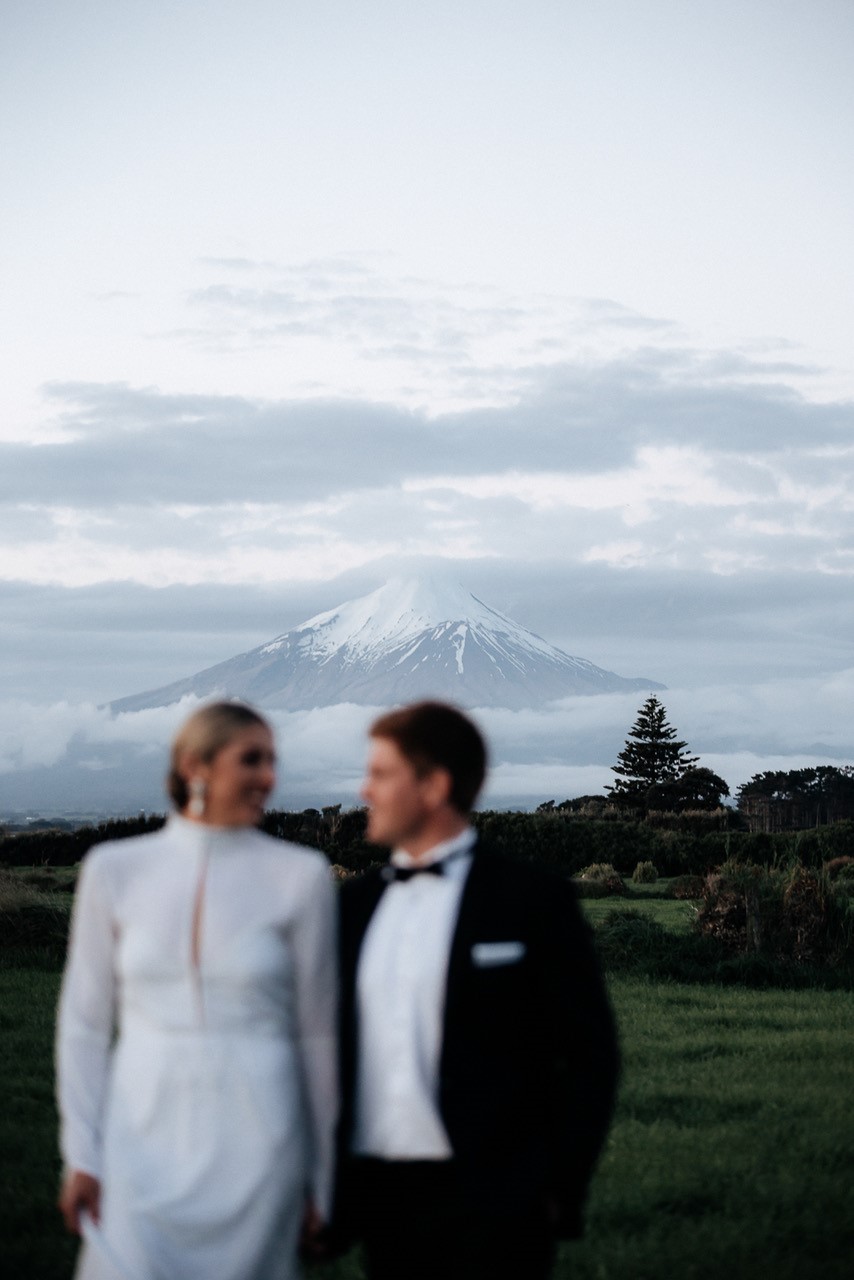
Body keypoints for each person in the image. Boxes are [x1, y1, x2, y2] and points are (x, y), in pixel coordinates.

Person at [335, 700, 619, 1280]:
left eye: (381, 774)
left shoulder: (531, 899)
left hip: (496, 1199)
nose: (364, 791)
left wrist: (553, 1186)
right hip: (377, 1199)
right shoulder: (352, 906)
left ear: (435, 786)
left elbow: (592, 1054)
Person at [56, 701, 337, 1280]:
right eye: (251, 759)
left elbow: (317, 1035)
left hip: (262, 1136)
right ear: (195, 766)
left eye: (273, 760)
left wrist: (321, 1177)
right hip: (141, 1129)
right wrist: (82, 1154)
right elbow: (83, 1024)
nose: (270, 777)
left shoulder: (301, 875)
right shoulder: (114, 869)